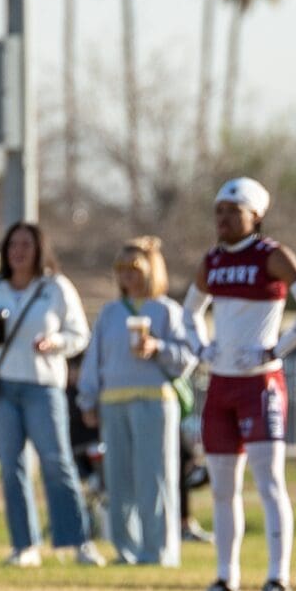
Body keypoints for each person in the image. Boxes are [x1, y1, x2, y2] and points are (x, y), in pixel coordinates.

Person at [183, 177, 296, 591]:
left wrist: (275, 348)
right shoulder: (211, 261)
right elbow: (189, 310)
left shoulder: (273, 256)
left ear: (256, 215)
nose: (223, 219)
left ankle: (277, 580)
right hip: (221, 385)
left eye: (233, 210)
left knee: (268, 483)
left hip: (261, 384)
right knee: (222, 489)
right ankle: (226, 580)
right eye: (219, 211)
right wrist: (200, 348)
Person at [0, 222, 102, 567]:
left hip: (43, 384)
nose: (19, 251)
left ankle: (77, 540)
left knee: (56, 461)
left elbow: (79, 333)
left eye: (26, 244)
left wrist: (56, 343)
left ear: (39, 250)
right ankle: (24, 545)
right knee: (11, 466)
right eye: (13, 244)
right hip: (1, 386)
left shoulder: (56, 288)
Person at [78, 237, 197, 565]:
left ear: (151, 270)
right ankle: (126, 549)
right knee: (119, 479)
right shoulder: (110, 312)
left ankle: (158, 550)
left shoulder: (167, 311)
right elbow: (94, 359)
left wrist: (157, 348)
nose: (126, 276)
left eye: (133, 268)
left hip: (154, 401)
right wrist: (88, 399)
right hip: (113, 402)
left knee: (155, 475)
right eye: (120, 269)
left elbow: (188, 358)